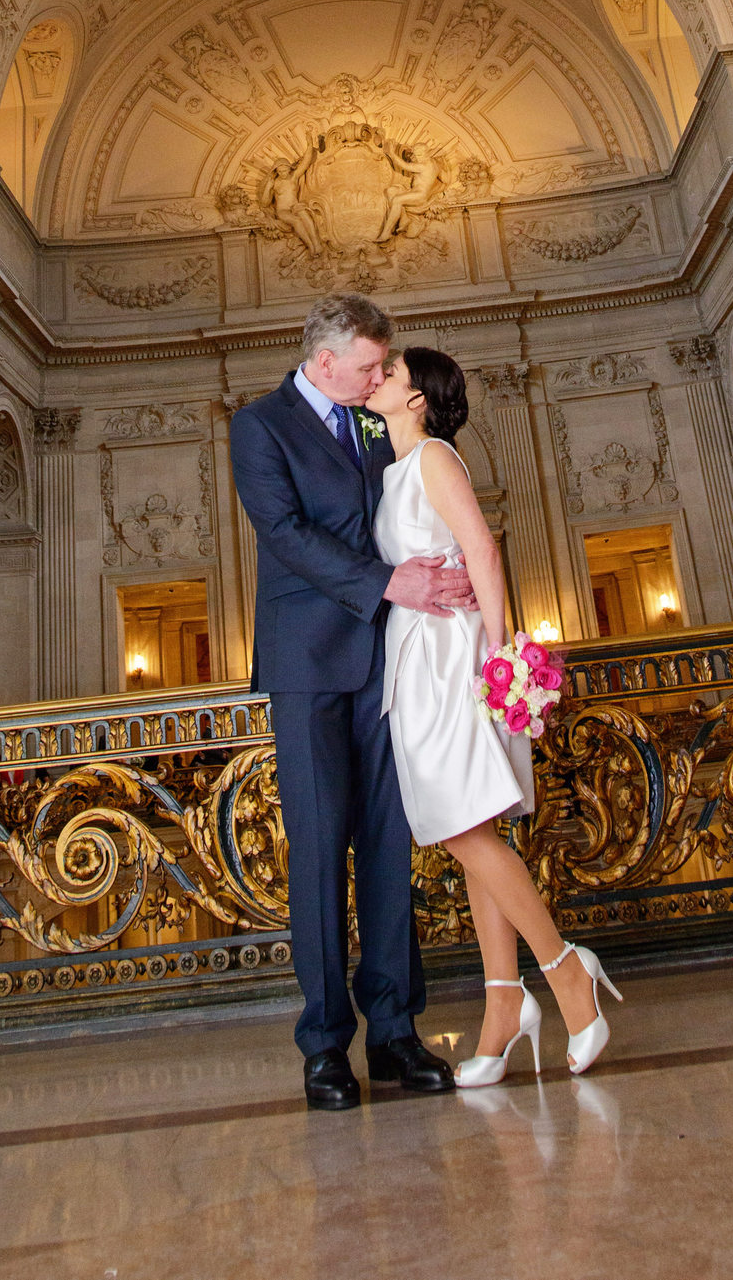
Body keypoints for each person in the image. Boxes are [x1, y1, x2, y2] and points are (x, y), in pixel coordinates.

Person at [229, 293, 473, 1111]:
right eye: (370, 366)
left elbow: (413, 503)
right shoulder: (257, 425)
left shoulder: (373, 419)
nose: (381, 380)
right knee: (319, 850)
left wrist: (449, 567)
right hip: (306, 666)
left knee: (387, 846)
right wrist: (389, 581)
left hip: (391, 661)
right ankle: (325, 1043)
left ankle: (397, 1029)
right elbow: (285, 533)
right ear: (324, 359)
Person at [371, 346, 623, 1082]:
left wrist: (497, 653)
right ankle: (503, 1002)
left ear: (417, 398)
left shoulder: (434, 459)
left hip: (449, 658)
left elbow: (482, 549)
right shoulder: (395, 467)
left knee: (456, 823)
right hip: (417, 656)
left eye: (390, 372)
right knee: (469, 825)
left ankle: (564, 968)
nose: (377, 376)